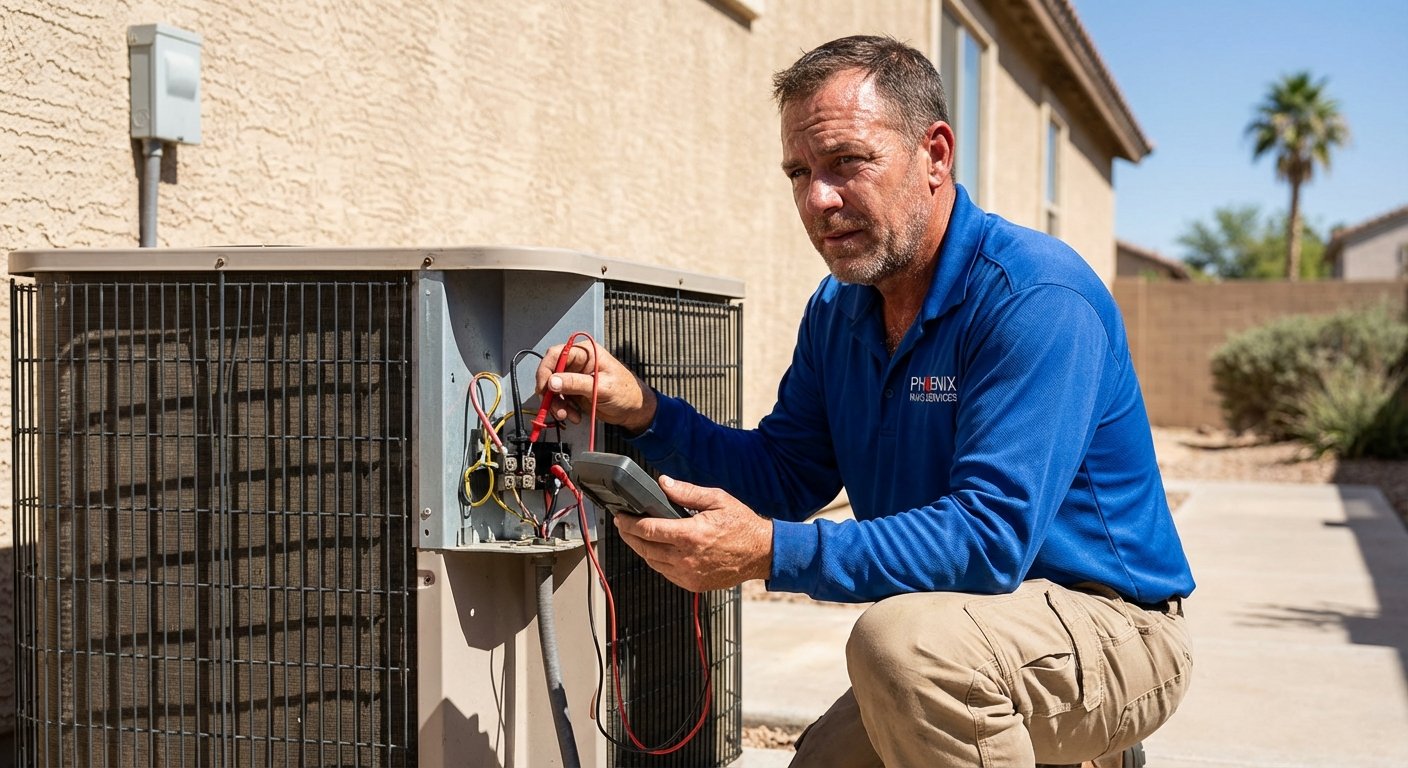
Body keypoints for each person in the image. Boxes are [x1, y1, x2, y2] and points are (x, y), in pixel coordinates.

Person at [537, 34, 1193, 768]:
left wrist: (769, 551)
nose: (819, 198)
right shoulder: (839, 311)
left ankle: (1091, 747)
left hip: (1113, 631)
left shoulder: (1034, 296)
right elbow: (787, 473)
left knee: (900, 648)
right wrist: (646, 415)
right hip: (965, 633)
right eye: (799, 173)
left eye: (847, 162)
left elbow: (988, 537)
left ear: (935, 155)